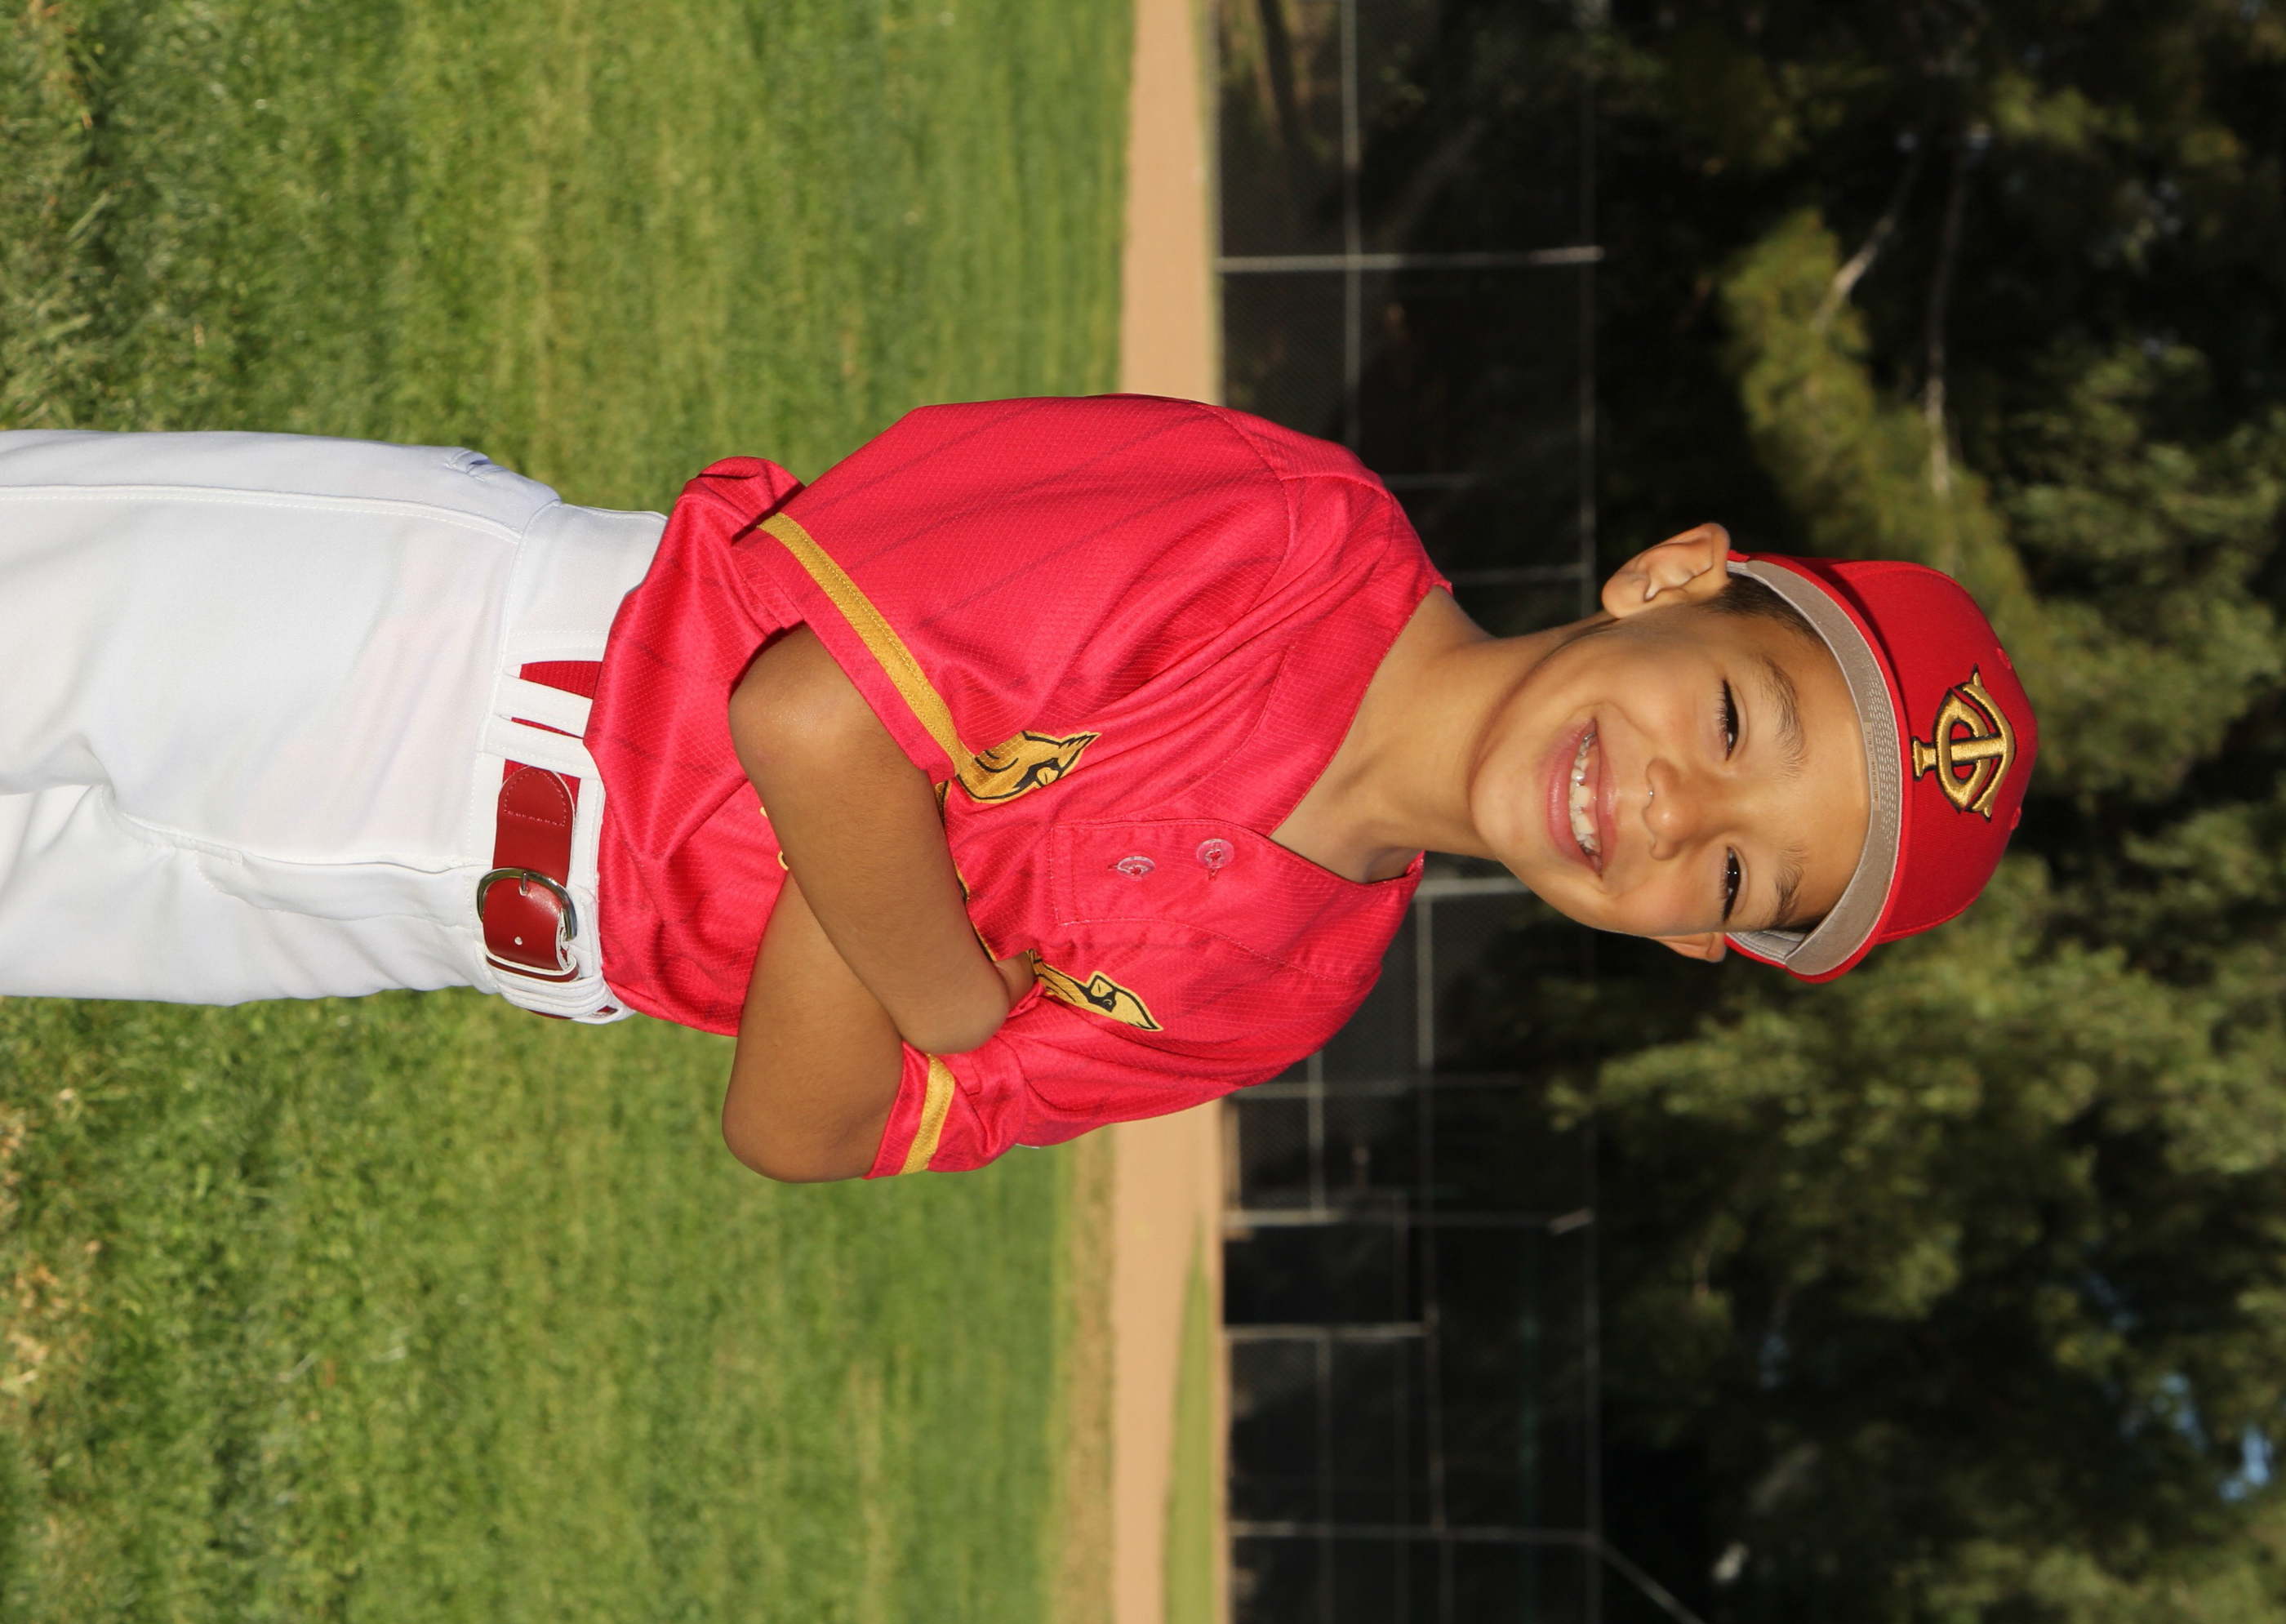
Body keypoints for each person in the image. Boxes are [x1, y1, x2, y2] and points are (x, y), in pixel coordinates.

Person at [0, 395, 2036, 1182]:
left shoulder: (1286, 987)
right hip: (446, 651)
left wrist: (904, 849)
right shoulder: (1286, 535)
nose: (1670, 814)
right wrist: (950, 978)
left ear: (1688, 943)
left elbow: (798, 1128)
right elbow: (808, 719)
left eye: (1736, 878)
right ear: (1670, 580)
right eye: (1737, 725)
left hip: (445, 928)